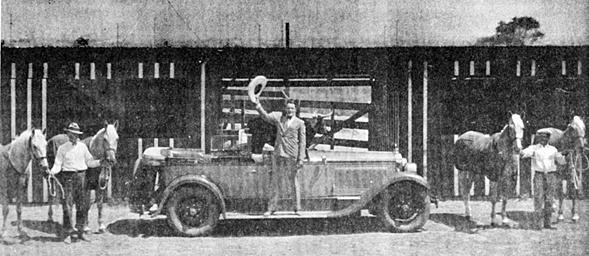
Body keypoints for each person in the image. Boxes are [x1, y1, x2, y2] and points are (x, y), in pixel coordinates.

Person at [48, 122, 107, 243]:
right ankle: (70, 233)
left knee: (83, 205)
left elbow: (90, 162)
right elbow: (58, 165)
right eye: (70, 133)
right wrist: (51, 172)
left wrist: (100, 162)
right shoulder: (62, 148)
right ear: (67, 134)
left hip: (82, 176)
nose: (72, 136)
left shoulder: (82, 147)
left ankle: (80, 232)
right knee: (68, 205)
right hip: (68, 177)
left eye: (75, 134)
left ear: (78, 135)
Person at [254, 98, 306, 216]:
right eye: (288, 108)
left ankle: (297, 208)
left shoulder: (300, 123)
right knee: (275, 181)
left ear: (295, 109)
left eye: (292, 108)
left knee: (294, 181)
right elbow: (266, 117)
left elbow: (303, 142)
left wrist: (301, 158)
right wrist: (258, 105)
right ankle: (271, 208)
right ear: (285, 109)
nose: (290, 110)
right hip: (278, 154)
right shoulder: (278, 118)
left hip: (292, 155)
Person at [520, 130, 566, 229]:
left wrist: (565, 155)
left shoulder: (553, 150)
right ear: (539, 138)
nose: (543, 139)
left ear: (549, 139)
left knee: (549, 199)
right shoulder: (534, 148)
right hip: (539, 176)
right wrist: (521, 151)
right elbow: (524, 153)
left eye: (546, 137)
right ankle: (538, 224)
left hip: (551, 176)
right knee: (538, 199)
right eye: (541, 137)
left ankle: (547, 223)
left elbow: (561, 161)